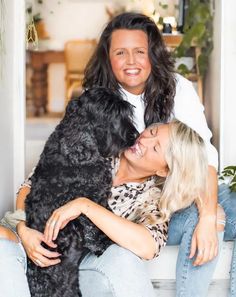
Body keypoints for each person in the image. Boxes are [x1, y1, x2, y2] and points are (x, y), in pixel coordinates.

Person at [81, 12, 236, 297]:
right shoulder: (97, 100)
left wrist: (210, 214)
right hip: (152, 203)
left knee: (224, 208)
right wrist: (205, 215)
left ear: (152, 53)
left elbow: (205, 160)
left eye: (139, 52)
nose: (131, 62)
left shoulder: (177, 88)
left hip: (191, 185)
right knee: (198, 215)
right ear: (108, 57)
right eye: (120, 52)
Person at [0, 120, 223, 297]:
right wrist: (25, 228)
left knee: (122, 256)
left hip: (76, 264)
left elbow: (147, 246)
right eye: (152, 133)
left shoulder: (151, 199)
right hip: (28, 237)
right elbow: (29, 187)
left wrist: (85, 206)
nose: (143, 142)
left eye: (155, 148)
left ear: (164, 171)